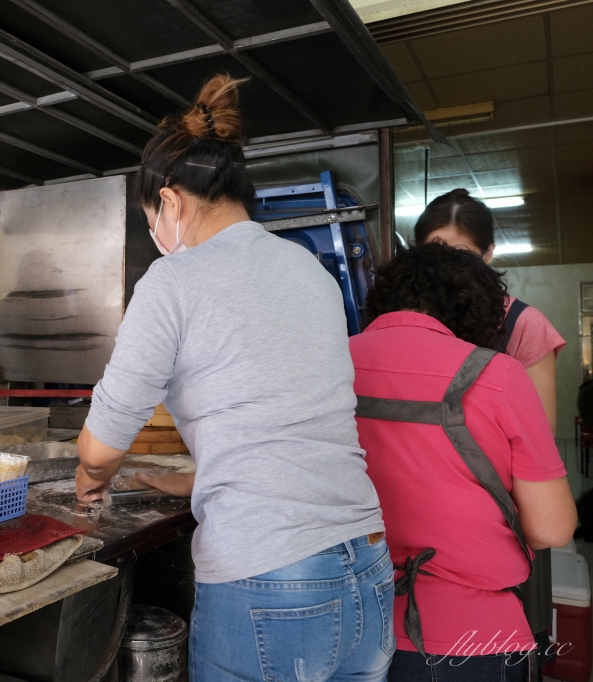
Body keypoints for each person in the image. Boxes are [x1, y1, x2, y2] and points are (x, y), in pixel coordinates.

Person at [74, 74, 392, 682]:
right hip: (368, 563)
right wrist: (189, 479)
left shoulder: (174, 281)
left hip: (270, 576)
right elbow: (288, 421)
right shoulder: (309, 271)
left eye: (151, 219)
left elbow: (105, 437)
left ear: (170, 203)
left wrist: (91, 481)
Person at [351, 242, 575, 682]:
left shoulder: (331, 364)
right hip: (470, 637)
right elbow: (553, 528)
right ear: (479, 314)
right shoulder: (497, 375)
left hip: (344, 622)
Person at [415, 189, 565, 432]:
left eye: (462, 256)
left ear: (488, 254)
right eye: (433, 255)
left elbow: (540, 437)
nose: (445, 269)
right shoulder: (410, 319)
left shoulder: (525, 324)